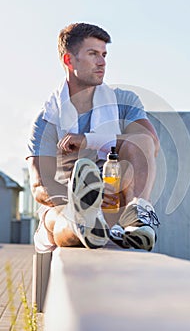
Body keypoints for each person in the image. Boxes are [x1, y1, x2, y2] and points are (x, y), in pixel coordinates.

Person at [26, 22, 160, 253]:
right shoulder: (46, 119)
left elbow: (150, 142)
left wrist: (88, 140)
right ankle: (82, 224)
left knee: (140, 140)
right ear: (69, 60)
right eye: (93, 54)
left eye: (104, 54)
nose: (102, 62)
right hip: (64, 202)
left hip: (116, 196)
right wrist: (84, 200)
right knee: (58, 217)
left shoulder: (124, 101)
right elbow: (40, 186)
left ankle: (137, 219)